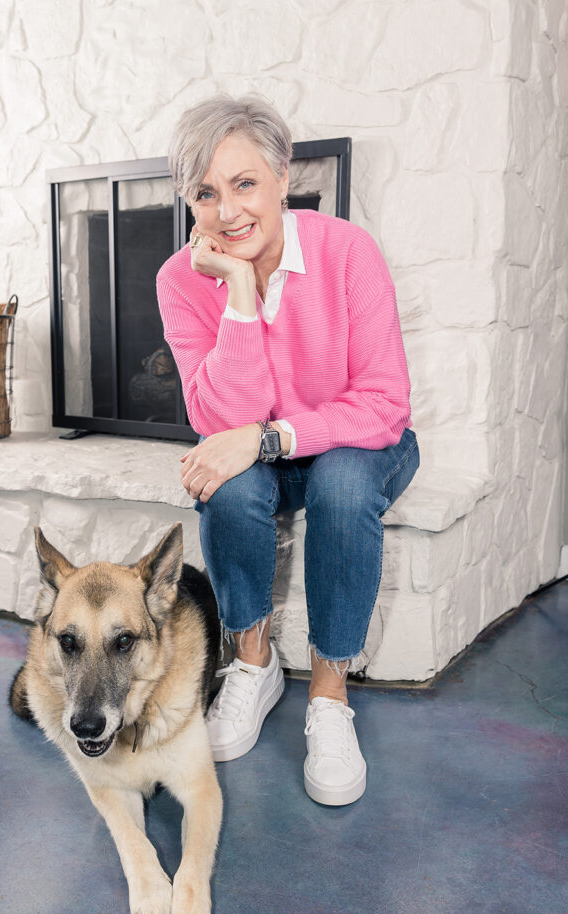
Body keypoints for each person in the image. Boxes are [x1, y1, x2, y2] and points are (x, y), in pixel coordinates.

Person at [156, 94, 419, 806]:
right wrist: (239, 290)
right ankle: (253, 661)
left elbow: (384, 403)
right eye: (205, 193)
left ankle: (329, 695)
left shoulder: (346, 251)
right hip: (264, 447)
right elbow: (217, 417)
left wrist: (270, 437)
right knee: (230, 484)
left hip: (364, 440)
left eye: (244, 184)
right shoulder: (183, 279)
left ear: (281, 175)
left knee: (338, 482)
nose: (228, 210)